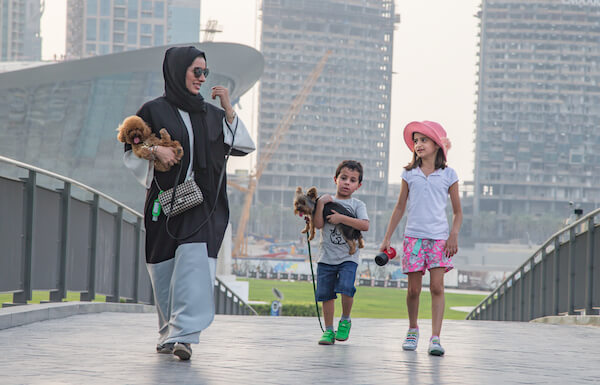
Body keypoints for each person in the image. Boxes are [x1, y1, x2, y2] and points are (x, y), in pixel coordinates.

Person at [122, 46, 255, 360]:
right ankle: (168, 332)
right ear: (177, 70)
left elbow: (244, 145)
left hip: (203, 204)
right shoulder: (153, 110)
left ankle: (184, 336)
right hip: (165, 202)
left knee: (194, 266)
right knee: (164, 269)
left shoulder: (212, 113)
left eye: (205, 72)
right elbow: (132, 144)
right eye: (196, 71)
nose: (201, 78)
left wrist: (229, 108)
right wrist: (156, 152)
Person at [379, 121, 462, 356]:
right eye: (415, 140)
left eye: (423, 140)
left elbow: (458, 212)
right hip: (413, 238)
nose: (418, 144)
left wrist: (453, 235)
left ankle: (435, 338)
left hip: (438, 239)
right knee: (413, 290)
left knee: (437, 287)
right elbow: (399, 207)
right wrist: (387, 238)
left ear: (437, 144)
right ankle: (413, 329)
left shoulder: (449, 174)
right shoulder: (409, 173)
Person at [313, 160, 369, 345]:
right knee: (326, 294)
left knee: (346, 287)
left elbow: (364, 225)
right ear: (335, 179)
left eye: (352, 180)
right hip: (326, 258)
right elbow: (318, 224)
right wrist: (320, 204)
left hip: (348, 257)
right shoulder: (326, 200)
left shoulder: (357, 204)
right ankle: (329, 330)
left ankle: (345, 320)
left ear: (358, 185)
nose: (347, 182)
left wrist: (341, 218)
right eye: (343, 178)